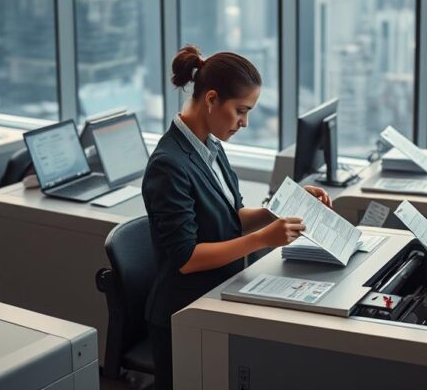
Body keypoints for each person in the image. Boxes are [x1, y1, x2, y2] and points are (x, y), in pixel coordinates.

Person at [142, 45, 332, 390]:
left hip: (221, 289)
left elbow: (230, 218)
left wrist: (279, 208)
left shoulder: (211, 147)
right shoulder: (169, 164)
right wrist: (264, 239)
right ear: (211, 99)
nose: (244, 123)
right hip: (185, 310)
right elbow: (186, 258)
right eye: (240, 111)